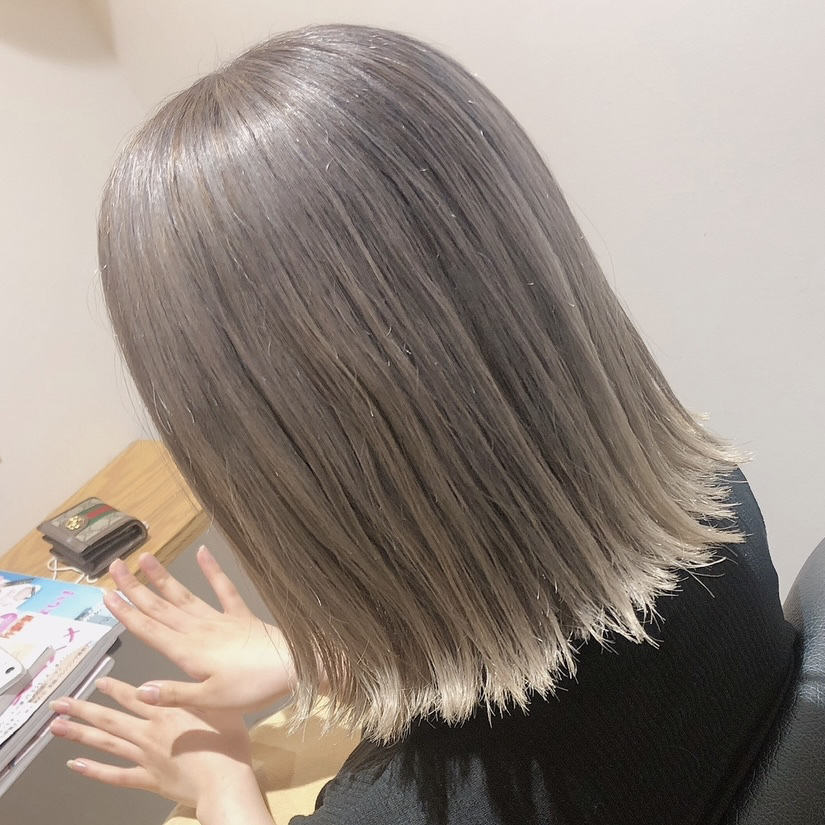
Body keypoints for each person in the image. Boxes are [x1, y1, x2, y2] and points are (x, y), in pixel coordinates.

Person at [48, 24, 796, 825]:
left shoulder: (403, 809)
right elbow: (538, 620)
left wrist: (218, 781)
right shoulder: (718, 505)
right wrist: (306, 659)